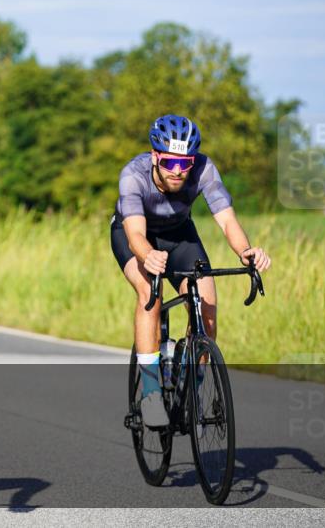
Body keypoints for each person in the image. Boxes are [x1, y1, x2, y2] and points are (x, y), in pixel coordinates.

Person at [110, 115, 271, 428]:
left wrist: (245, 252)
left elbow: (226, 220)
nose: (179, 171)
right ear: (156, 156)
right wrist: (147, 256)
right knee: (149, 294)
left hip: (180, 234)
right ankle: (152, 392)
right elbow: (135, 236)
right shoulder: (133, 175)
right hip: (135, 235)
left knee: (206, 303)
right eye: (170, 163)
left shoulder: (203, 168)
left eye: (185, 163)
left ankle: (191, 388)